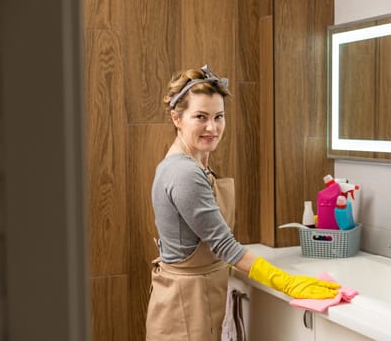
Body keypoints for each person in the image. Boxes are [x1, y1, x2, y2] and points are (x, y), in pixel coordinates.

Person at [145, 65, 339, 341]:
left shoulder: (194, 164)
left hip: (194, 298)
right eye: (201, 117)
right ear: (177, 118)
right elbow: (224, 245)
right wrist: (287, 282)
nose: (212, 127)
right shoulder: (184, 173)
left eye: (219, 117)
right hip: (186, 309)